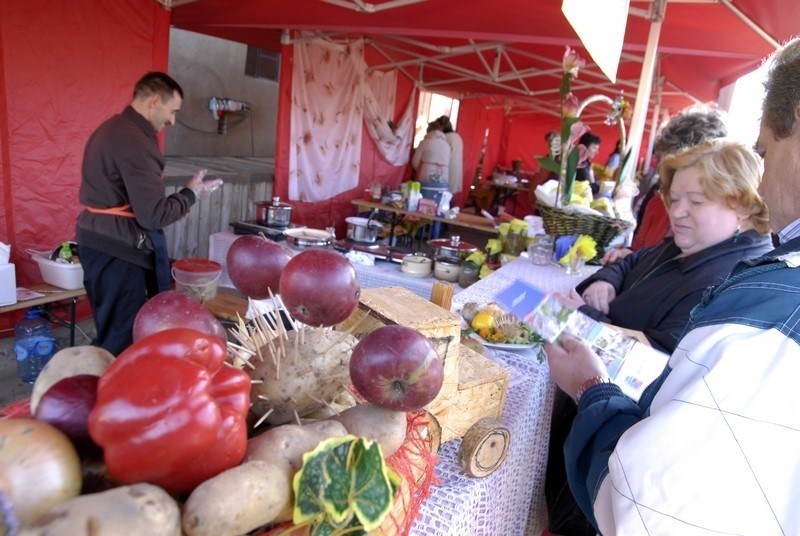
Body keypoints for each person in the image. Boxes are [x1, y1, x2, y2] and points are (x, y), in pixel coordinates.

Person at [546, 38, 800, 534]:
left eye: (767, 154)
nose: (676, 212)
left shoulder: (760, 291)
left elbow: (646, 503)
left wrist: (591, 385)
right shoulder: (679, 252)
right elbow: (627, 262)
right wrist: (606, 284)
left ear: (742, 206)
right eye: (674, 199)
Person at [76, 72, 223, 356]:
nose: (172, 121)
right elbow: (153, 216)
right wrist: (192, 194)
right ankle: (118, 394)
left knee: (113, 330)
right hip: (118, 250)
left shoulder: (112, 129)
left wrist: (177, 203)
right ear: (155, 101)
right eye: (172, 111)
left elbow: (140, 203)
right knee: (123, 338)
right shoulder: (135, 142)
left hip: (101, 239)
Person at [603, 106, 729, 265]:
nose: (670, 176)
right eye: (668, 165)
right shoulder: (656, 202)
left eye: (680, 166)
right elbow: (641, 251)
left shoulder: (715, 226)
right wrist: (626, 257)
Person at [410, 120, 450, 185]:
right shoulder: (446, 145)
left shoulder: (424, 142)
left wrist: (422, 169)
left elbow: (415, 161)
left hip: (426, 174)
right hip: (444, 175)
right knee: (439, 194)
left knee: (425, 193)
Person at [436, 115, 464, 206]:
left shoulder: (445, 138)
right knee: (449, 198)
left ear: (441, 127)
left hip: (448, 171)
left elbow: (440, 156)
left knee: (442, 201)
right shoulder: (457, 136)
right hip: (456, 170)